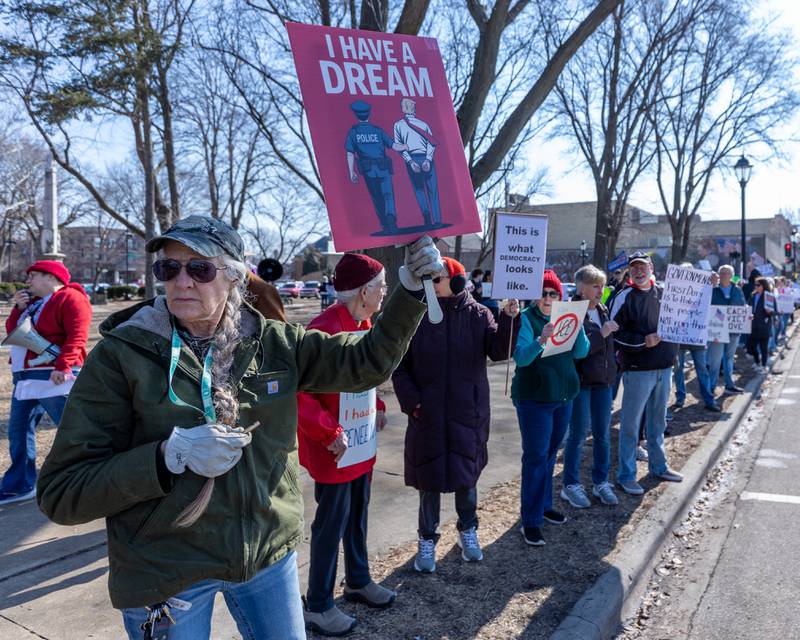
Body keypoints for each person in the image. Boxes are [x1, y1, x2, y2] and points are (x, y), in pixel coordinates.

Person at [36, 215, 442, 640]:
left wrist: (409, 292)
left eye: (200, 268)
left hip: (266, 555)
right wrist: (166, 457)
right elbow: (63, 493)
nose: (182, 281)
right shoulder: (122, 357)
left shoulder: (276, 344)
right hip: (168, 569)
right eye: (168, 268)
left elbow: (366, 362)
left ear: (234, 277)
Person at [392, 257, 520, 571]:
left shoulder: (479, 315)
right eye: (429, 279)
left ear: (458, 280)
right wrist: (414, 404)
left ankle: (468, 530)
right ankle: (426, 539)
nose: (431, 284)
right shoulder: (417, 317)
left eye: (437, 279)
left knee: (467, 476)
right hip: (428, 416)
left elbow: (499, 351)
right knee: (429, 479)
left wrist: (508, 318)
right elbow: (399, 367)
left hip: (468, 413)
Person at [298, 254, 395, 637]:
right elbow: (299, 394)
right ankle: (318, 604)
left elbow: (366, 379)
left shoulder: (365, 323)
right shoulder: (323, 329)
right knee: (330, 523)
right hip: (333, 448)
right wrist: (328, 433)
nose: (385, 292)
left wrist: (380, 405)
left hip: (361, 440)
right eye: (381, 285)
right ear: (363, 291)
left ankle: (357, 580)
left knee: (358, 516)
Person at [0, 260, 91, 505]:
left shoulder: (71, 297)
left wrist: (64, 365)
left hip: (54, 376)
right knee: (18, 431)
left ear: (50, 277)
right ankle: (19, 484)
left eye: (32, 276)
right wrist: (19, 308)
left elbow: (78, 335)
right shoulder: (35, 303)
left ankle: (89, 478)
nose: (27, 282)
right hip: (27, 376)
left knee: (72, 430)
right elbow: (13, 330)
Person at [512, 270, 589, 546]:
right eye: (543, 293)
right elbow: (521, 358)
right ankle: (530, 520)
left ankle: (544, 506)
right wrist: (541, 340)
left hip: (563, 397)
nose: (547, 298)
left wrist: (577, 326)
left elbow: (581, 352)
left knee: (549, 456)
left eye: (552, 293)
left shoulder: (565, 316)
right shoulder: (526, 319)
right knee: (535, 458)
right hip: (534, 399)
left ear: (560, 296)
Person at [610, 251, 681, 496]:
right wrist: (642, 341)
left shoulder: (667, 293)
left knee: (658, 422)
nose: (639, 271)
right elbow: (614, 335)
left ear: (651, 267)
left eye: (643, 266)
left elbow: (688, 317)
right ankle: (626, 475)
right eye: (634, 267)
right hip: (638, 371)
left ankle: (659, 466)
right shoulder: (624, 297)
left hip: (665, 367)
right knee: (630, 426)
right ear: (630, 271)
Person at [561, 265, 619, 509]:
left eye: (602, 285)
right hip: (582, 383)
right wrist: (601, 334)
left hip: (603, 383)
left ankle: (600, 482)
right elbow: (574, 351)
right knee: (578, 434)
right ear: (582, 289)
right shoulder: (572, 311)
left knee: (602, 433)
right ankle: (570, 485)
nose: (600, 290)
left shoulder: (603, 309)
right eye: (595, 286)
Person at [346, 100, 408, 235]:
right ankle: (391, 220)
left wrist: (351, 172)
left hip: (368, 171)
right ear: (369, 114)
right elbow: (393, 145)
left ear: (357, 115)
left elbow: (350, 153)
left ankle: (385, 225)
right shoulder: (377, 131)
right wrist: (404, 146)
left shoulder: (353, 133)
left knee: (377, 198)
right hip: (383, 168)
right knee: (388, 195)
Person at [393, 98, 442, 228]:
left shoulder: (399, 125)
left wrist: (410, 161)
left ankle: (428, 220)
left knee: (419, 190)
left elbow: (400, 146)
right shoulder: (423, 124)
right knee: (432, 191)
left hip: (413, 158)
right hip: (424, 158)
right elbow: (431, 143)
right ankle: (436, 221)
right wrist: (428, 159)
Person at [706, 265, 746, 395]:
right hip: (717, 330)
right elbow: (706, 306)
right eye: (721, 273)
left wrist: (747, 314)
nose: (724, 275)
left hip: (733, 331)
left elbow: (743, 306)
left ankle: (729, 385)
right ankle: (711, 386)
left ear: (731, 275)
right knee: (715, 360)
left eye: (727, 273)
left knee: (729, 359)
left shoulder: (737, 290)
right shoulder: (713, 290)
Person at [749, 277, 773, 372]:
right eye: (755, 285)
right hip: (753, 324)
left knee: (763, 347)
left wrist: (769, 312)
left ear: (763, 286)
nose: (756, 286)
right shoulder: (753, 295)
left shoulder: (768, 296)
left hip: (764, 325)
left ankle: (763, 365)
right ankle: (757, 362)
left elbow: (772, 311)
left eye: (758, 285)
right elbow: (749, 307)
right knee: (751, 346)